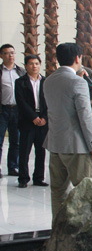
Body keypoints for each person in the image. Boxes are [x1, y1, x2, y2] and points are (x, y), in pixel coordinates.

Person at [43, 43, 92, 220]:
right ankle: (84, 230)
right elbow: (85, 117)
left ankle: (58, 228)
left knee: (58, 191)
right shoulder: (78, 82)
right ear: (77, 58)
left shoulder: (48, 81)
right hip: (77, 146)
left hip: (55, 143)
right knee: (85, 192)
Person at [15, 55, 48, 188]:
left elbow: (50, 101)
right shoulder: (20, 82)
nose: (34, 66)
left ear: (40, 65)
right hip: (27, 120)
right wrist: (33, 117)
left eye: (36, 63)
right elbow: (21, 102)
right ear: (26, 66)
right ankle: (23, 178)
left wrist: (45, 117)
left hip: (43, 120)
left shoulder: (46, 81)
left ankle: (39, 178)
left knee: (41, 151)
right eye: (31, 64)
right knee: (24, 151)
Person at [0, 44, 26, 177]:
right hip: (2, 110)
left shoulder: (21, 72)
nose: (10, 55)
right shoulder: (1, 71)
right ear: (1, 56)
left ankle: (13, 167)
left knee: (16, 140)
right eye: (6, 53)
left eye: (12, 52)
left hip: (17, 110)